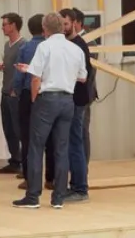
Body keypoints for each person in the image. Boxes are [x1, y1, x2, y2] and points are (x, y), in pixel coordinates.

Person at [15, 13, 87, 210]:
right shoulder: (75, 49)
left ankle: (33, 196)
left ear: (44, 29)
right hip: (68, 99)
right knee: (61, 148)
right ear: (62, 27)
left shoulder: (44, 47)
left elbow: (35, 77)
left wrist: (34, 98)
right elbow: (82, 77)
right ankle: (58, 197)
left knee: (36, 147)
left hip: (47, 98)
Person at [62, 7, 95, 203]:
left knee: (76, 143)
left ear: (74, 23)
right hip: (70, 99)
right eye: (61, 24)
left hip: (77, 100)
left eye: (66, 23)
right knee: (70, 143)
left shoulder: (79, 45)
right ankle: (74, 184)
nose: (63, 27)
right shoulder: (67, 44)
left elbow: (85, 74)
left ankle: (80, 188)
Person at [12, 14, 46, 191]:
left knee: (27, 137)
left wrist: (17, 90)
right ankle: (51, 178)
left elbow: (19, 73)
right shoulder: (48, 47)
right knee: (50, 138)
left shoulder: (25, 47)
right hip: (46, 93)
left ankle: (29, 177)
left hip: (27, 94)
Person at [0, 13, 25, 174]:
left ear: (13, 26)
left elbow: (23, 69)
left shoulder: (23, 45)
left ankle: (24, 164)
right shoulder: (7, 45)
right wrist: (2, 67)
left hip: (15, 94)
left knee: (18, 129)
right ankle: (14, 160)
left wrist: (17, 89)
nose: (2, 28)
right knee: (8, 128)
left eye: (5, 24)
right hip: (5, 91)